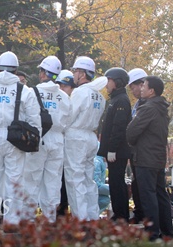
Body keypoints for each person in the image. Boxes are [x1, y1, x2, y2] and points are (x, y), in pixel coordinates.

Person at [0, 51, 41, 227]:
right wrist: (35, 143)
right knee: (15, 180)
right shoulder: (25, 91)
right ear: (16, 70)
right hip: (16, 138)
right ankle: (12, 222)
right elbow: (34, 121)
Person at [126, 76, 173, 241]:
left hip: (145, 158)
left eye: (144, 85)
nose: (141, 88)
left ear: (151, 91)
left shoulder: (147, 108)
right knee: (161, 195)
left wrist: (132, 140)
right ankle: (167, 232)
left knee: (148, 197)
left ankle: (152, 234)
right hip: (158, 158)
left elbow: (131, 132)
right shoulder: (161, 107)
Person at [24, 56, 71, 222]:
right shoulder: (64, 97)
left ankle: (28, 219)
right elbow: (67, 121)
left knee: (31, 179)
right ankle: (50, 218)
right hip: (58, 141)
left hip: (37, 139)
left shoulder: (31, 92)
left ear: (44, 73)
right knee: (53, 181)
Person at [64, 56, 106, 221]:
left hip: (76, 136)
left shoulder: (80, 92)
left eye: (75, 71)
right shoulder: (99, 96)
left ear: (81, 73)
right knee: (89, 179)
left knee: (75, 178)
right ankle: (92, 215)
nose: (74, 74)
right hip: (90, 137)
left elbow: (69, 116)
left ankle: (81, 219)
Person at [97, 67, 131, 222]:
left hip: (117, 151)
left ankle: (121, 215)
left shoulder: (121, 100)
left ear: (116, 82)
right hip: (115, 150)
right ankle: (119, 213)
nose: (106, 84)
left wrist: (112, 149)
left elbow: (119, 127)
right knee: (115, 183)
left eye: (108, 80)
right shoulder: (116, 99)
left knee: (117, 183)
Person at [127, 67, 148, 224]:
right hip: (136, 151)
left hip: (145, 153)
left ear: (141, 84)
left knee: (145, 186)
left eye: (132, 87)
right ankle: (140, 212)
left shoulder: (147, 105)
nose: (132, 91)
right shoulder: (138, 104)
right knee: (136, 184)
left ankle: (147, 216)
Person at [55, 69, 76, 217]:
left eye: (66, 86)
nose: (62, 89)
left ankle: (64, 207)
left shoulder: (75, 102)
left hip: (72, 145)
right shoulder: (57, 101)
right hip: (57, 144)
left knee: (68, 178)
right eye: (60, 85)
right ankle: (58, 209)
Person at [94, 148, 110, 215]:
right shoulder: (97, 162)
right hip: (93, 194)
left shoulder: (99, 161)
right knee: (104, 200)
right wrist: (114, 190)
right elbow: (96, 185)